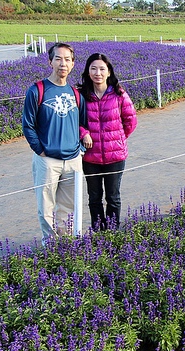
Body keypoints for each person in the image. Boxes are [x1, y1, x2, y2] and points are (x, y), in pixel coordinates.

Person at [22, 42, 86, 242]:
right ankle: (50, 244)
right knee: (46, 205)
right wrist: (40, 150)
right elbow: (27, 125)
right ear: (50, 62)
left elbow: (82, 123)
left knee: (70, 205)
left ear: (73, 64)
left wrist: (81, 148)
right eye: (58, 58)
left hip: (73, 159)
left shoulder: (75, 93)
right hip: (47, 159)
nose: (62, 64)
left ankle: (66, 242)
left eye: (67, 59)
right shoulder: (37, 90)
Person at [77, 53, 138, 231]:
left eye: (102, 69)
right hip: (90, 157)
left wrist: (117, 139)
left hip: (115, 157)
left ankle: (112, 232)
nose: (98, 73)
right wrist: (83, 133)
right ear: (88, 72)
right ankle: (98, 232)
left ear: (109, 72)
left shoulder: (119, 94)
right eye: (93, 68)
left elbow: (131, 120)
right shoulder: (81, 95)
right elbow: (74, 121)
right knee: (94, 197)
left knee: (113, 197)